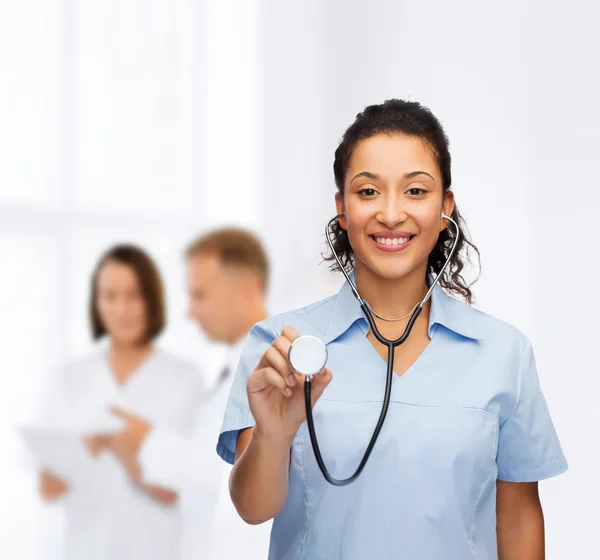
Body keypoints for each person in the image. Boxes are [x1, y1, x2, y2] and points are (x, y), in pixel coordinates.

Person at [217, 100, 568, 559]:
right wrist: (274, 434)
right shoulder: (281, 346)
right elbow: (254, 508)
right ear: (341, 209)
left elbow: (518, 522)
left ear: (445, 208)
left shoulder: (504, 353)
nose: (390, 213)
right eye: (367, 192)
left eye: (415, 192)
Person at [106, 228, 273, 560]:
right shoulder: (233, 365)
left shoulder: (274, 370)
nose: (190, 313)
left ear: (247, 289)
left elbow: (247, 477)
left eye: (200, 296)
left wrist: (147, 441)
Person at [38, 244, 205, 560]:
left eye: (134, 295)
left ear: (151, 299)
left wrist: (115, 443)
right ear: (96, 303)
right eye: (110, 296)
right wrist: (88, 450)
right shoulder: (68, 378)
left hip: (155, 548)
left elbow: (171, 489)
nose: (122, 309)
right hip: (83, 548)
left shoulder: (184, 378)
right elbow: (48, 489)